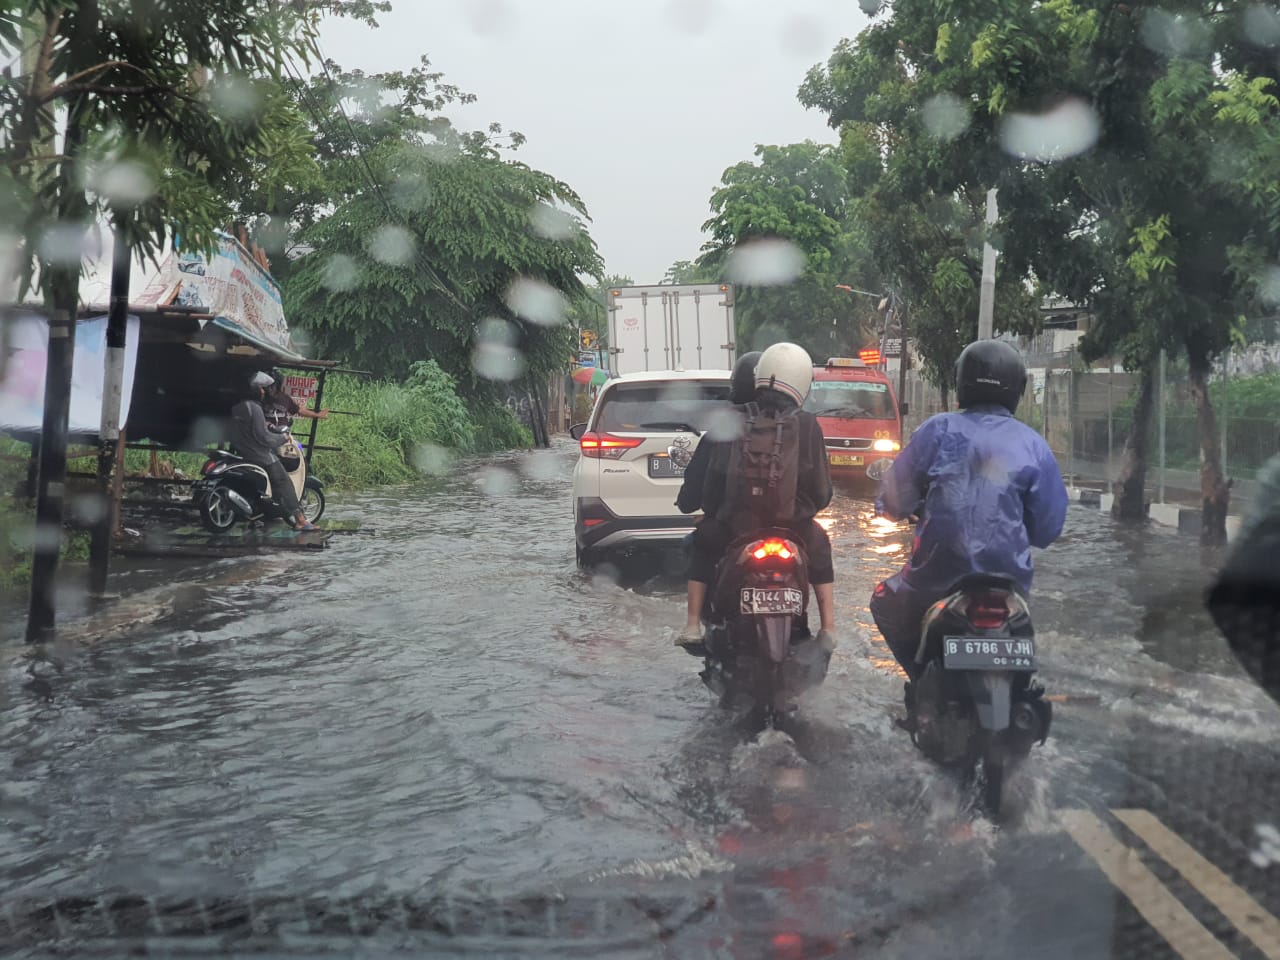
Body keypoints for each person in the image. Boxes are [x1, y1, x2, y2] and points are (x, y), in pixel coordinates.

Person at [870, 338, 1068, 679]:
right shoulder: (1034, 444)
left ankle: (918, 679)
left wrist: (894, 509)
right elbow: (1048, 529)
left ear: (961, 382)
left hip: (937, 578)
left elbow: (894, 500)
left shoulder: (937, 430)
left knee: (884, 602)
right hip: (1010, 586)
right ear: (1018, 388)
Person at [676, 342, 836, 648]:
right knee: (820, 543)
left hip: (732, 529)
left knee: (701, 542)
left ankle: (693, 625)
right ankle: (828, 628)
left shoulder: (727, 419)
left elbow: (703, 487)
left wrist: (707, 511)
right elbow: (821, 493)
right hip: (793, 530)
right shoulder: (806, 424)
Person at [230, 371, 319, 532]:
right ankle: (300, 520)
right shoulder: (255, 408)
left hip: (243, 453)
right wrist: (283, 438)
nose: (264, 392)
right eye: (262, 389)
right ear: (256, 389)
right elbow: (264, 437)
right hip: (260, 455)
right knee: (283, 481)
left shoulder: (237, 407)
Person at [263, 369, 330, 432]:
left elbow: (300, 411)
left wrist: (317, 415)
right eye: (267, 386)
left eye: (272, 386)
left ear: (278, 385)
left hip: (281, 432)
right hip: (264, 432)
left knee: (295, 441)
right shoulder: (262, 397)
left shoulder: (285, 398)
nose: (269, 388)